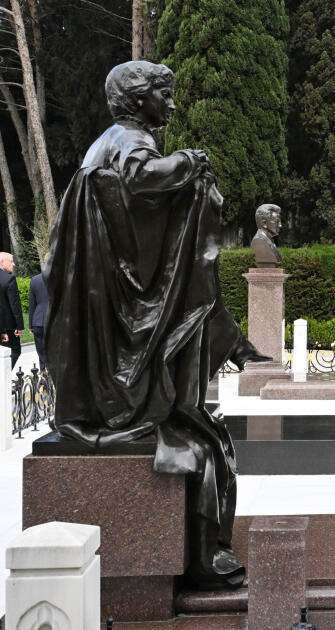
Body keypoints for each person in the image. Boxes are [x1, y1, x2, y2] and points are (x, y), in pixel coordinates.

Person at [45, 60, 267, 590]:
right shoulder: (128, 141)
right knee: (203, 438)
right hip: (119, 313)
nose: (171, 104)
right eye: (163, 95)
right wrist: (190, 164)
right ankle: (203, 554)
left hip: (106, 306)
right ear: (138, 98)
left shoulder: (107, 142)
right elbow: (144, 182)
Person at [0, 252, 23, 367]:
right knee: (15, 351)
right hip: (8, 327)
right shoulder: (9, 279)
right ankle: (3, 379)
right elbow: (15, 305)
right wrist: (19, 326)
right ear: (2, 262)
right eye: (11, 261)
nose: (13, 264)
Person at [28, 258, 49, 369]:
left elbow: (32, 304)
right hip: (54, 320)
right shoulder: (61, 279)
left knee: (41, 353)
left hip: (38, 321)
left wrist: (31, 325)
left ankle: (43, 378)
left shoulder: (35, 280)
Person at [250, 203, 282, 268]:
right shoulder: (258, 241)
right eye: (277, 221)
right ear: (264, 223)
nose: (280, 225)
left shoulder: (269, 241)